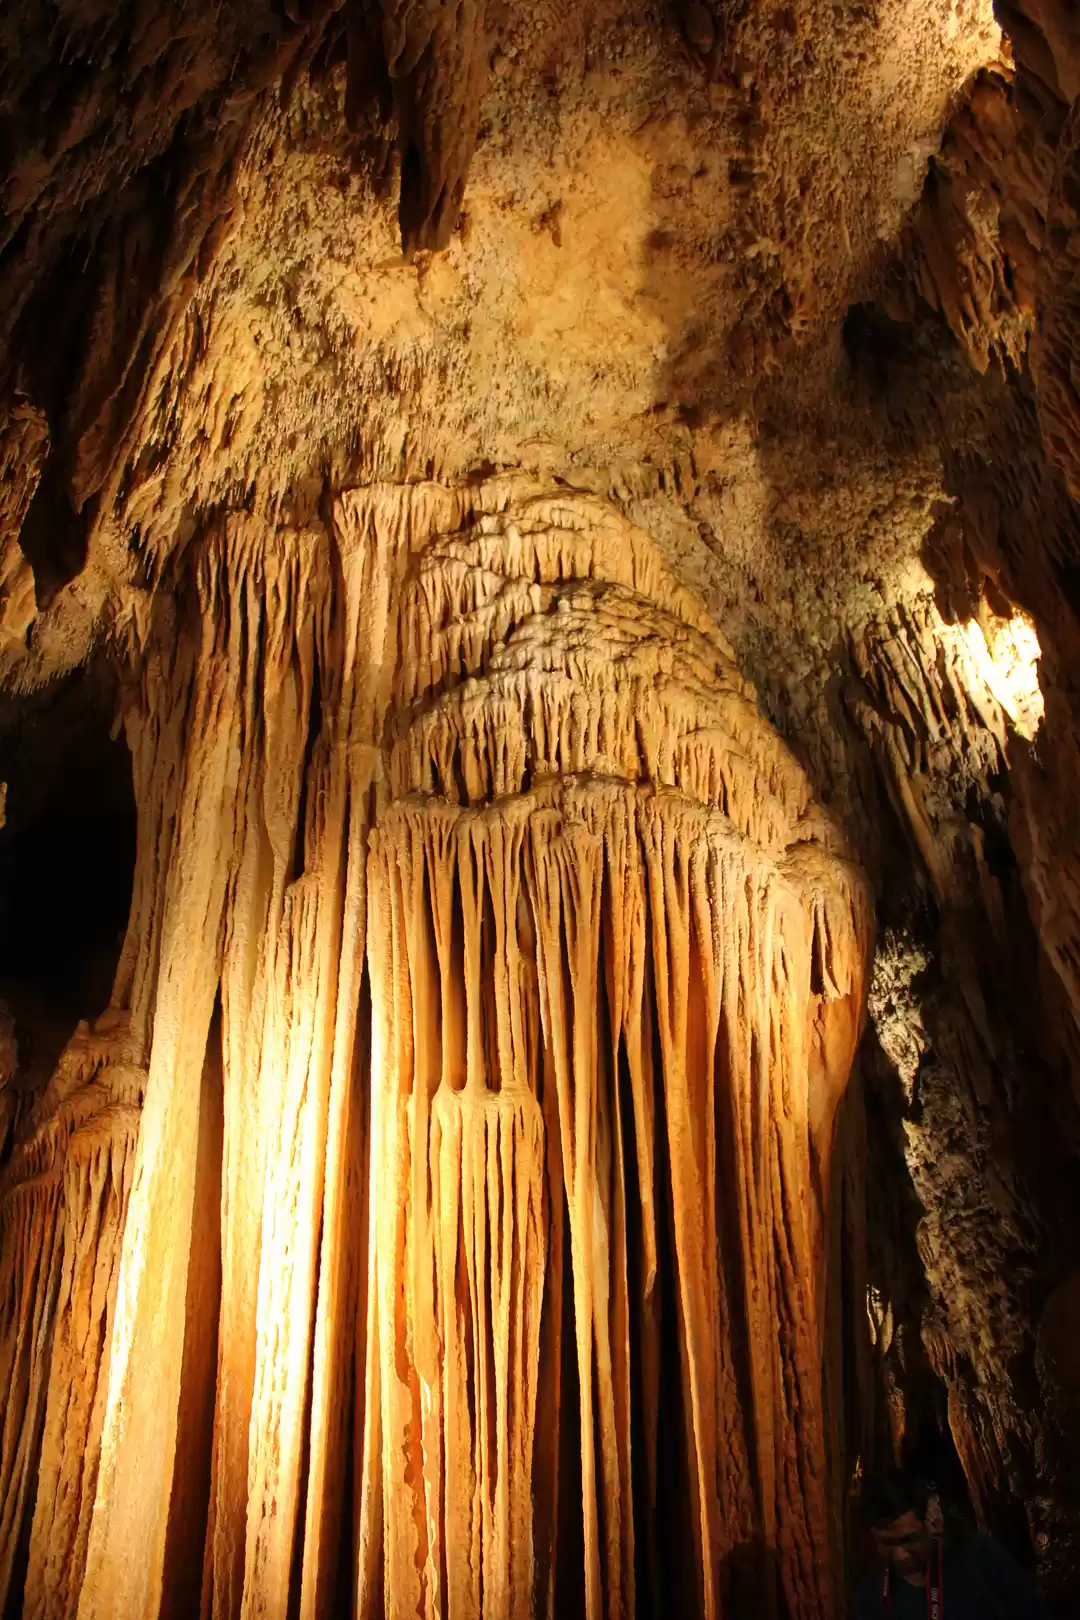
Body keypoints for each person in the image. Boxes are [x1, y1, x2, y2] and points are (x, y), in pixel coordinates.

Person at [853, 1467, 1050, 1618]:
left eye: (909, 1540)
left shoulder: (980, 1559)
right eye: (887, 1543)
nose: (900, 1554)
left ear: (932, 1524)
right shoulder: (872, 1599)